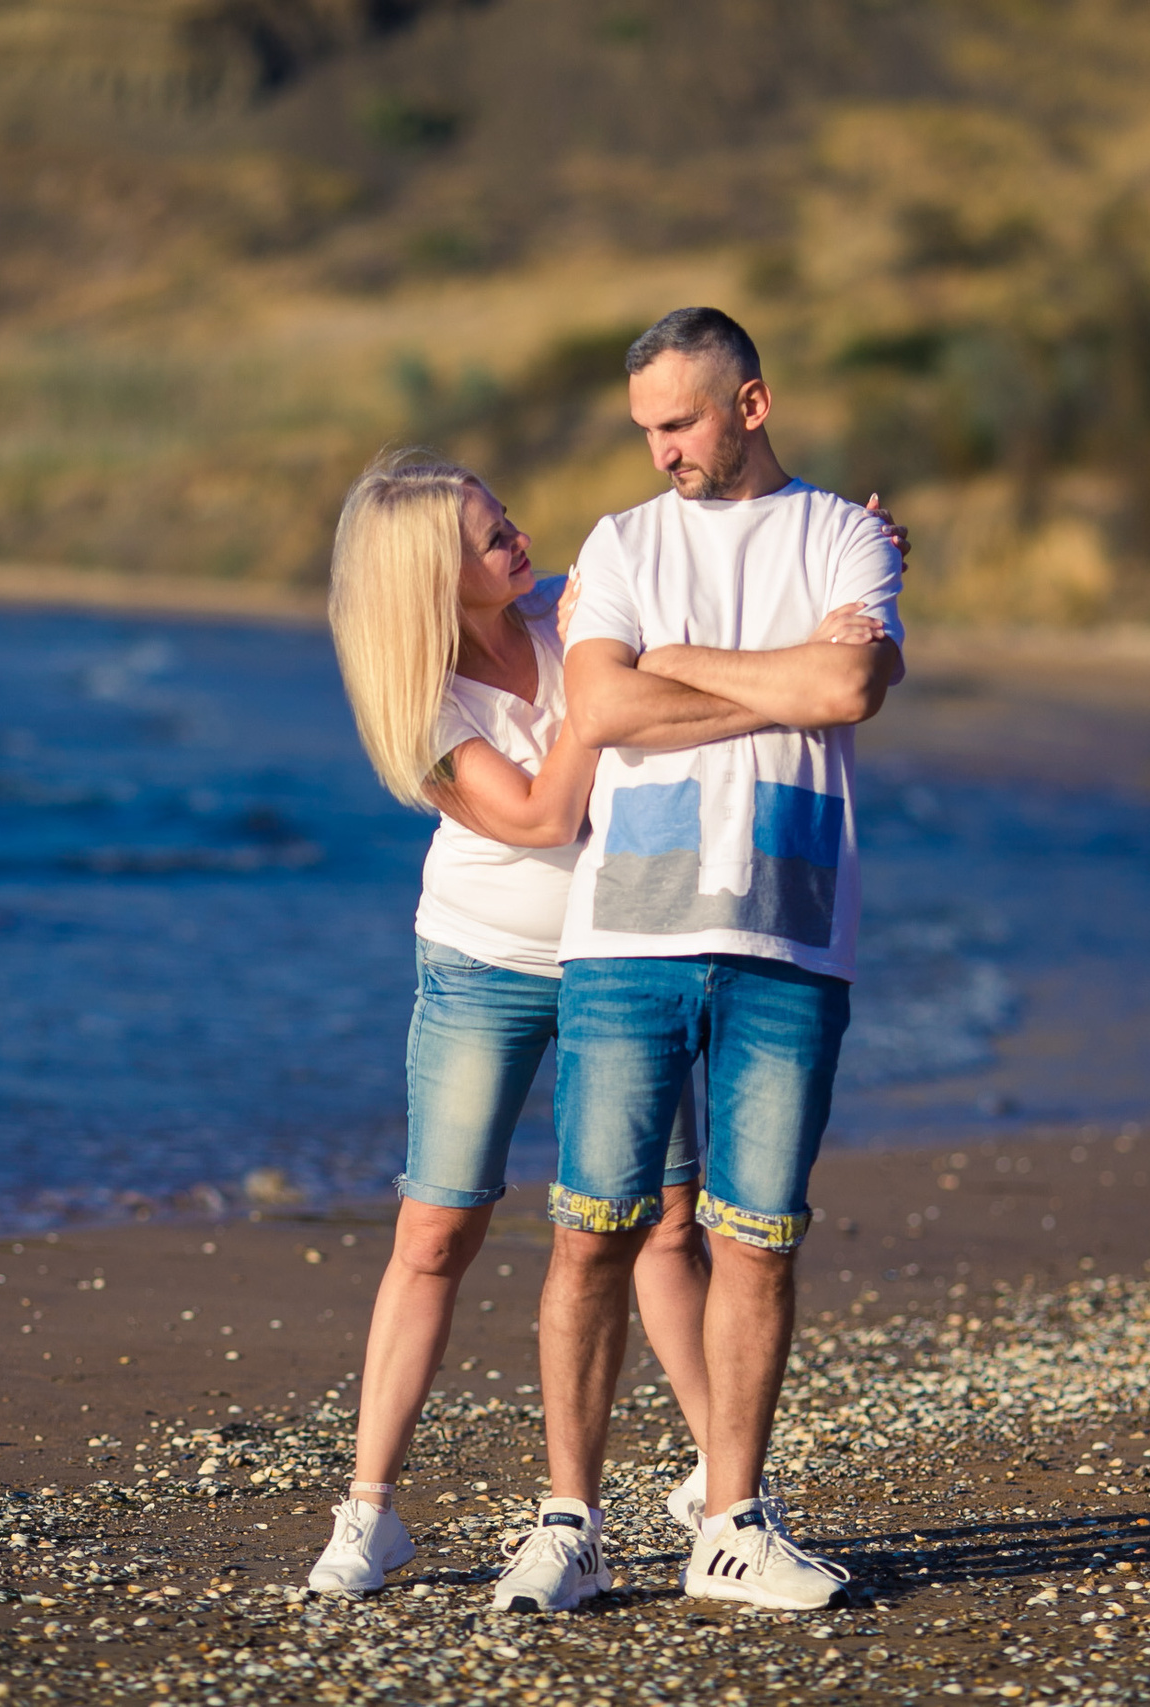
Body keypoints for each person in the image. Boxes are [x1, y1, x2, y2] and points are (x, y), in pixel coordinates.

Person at [490, 307, 904, 1615]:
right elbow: (600, 704)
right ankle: (570, 1521)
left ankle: (733, 1524)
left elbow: (848, 695)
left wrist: (678, 666)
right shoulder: (620, 541)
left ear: (752, 403)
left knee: (759, 1238)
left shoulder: (842, 529)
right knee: (591, 1234)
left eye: (679, 421)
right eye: (645, 428)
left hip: (792, 926)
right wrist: (778, 675)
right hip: (629, 932)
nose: (661, 448)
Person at [307, 451, 725, 1597]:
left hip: (623, 957)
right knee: (435, 1235)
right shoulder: (423, 698)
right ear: (432, 578)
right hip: (483, 967)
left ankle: (716, 1478)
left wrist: (858, 543)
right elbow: (541, 815)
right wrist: (602, 693)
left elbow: (711, 571)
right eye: (491, 537)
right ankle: (370, 1513)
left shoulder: (564, 612)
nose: (519, 540)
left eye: (506, 520)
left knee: (666, 1225)